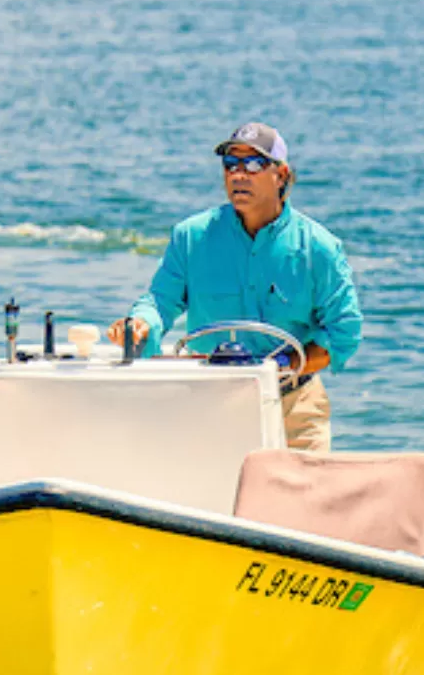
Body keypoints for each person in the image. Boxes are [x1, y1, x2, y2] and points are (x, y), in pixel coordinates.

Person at [107, 122, 362, 452]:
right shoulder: (191, 236)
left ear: (281, 175)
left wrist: (282, 366)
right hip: (209, 400)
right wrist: (140, 323)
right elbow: (159, 301)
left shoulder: (320, 247)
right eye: (231, 164)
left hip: (294, 407)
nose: (239, 175)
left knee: (303, 500)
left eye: (254, 164)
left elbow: (344, 331)